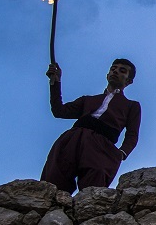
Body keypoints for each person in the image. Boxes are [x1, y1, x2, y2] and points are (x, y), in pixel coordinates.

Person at [41, 59, 141, 194]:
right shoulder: (88, 100)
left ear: (129, 81)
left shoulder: (131, 106)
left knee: (94, 186)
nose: (115, 71)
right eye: (113, 69)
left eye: (122, 71)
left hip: (102, 145)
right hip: (74, 138)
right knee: (55, 178)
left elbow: (132, 135)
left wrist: (121, 153)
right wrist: (55, 81)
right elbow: (59, 111)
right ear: (107, 74)